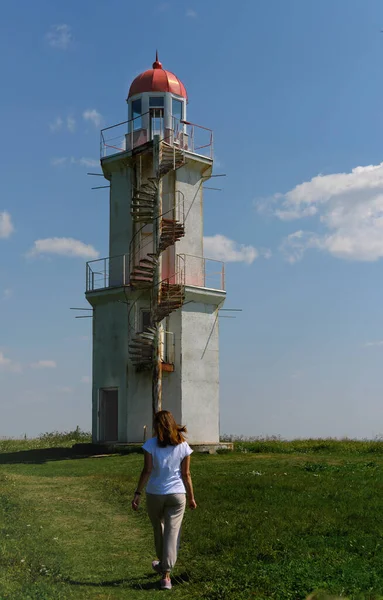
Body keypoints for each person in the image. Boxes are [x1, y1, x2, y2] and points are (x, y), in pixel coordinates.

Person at [131, 410, 197, 590]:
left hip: (154, 493)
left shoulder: (150, 444)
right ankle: (166, 575)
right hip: (177, 494)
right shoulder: (183, 445)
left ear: (156, 425)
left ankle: (163, 567)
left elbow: (147, 470)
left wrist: (137, 493)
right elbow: (186, 474)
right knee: (172, 532)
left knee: (158, 528)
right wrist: (191, 497)